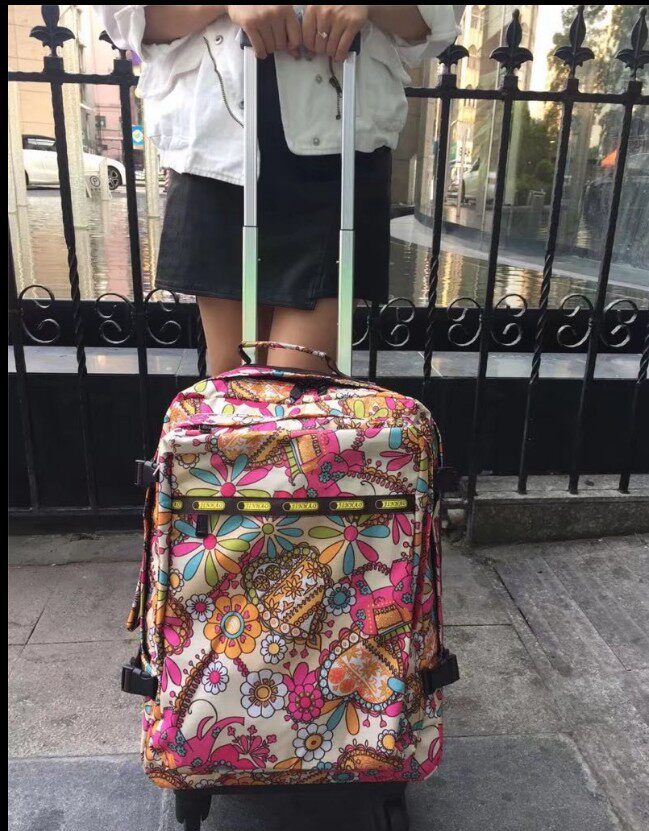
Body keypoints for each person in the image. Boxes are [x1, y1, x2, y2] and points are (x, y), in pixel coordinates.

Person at [95, 5, 460, 374]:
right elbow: (124, 19)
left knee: (297, 381)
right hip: (215, 143)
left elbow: (437, 20)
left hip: (341, 142)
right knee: (234, 378)